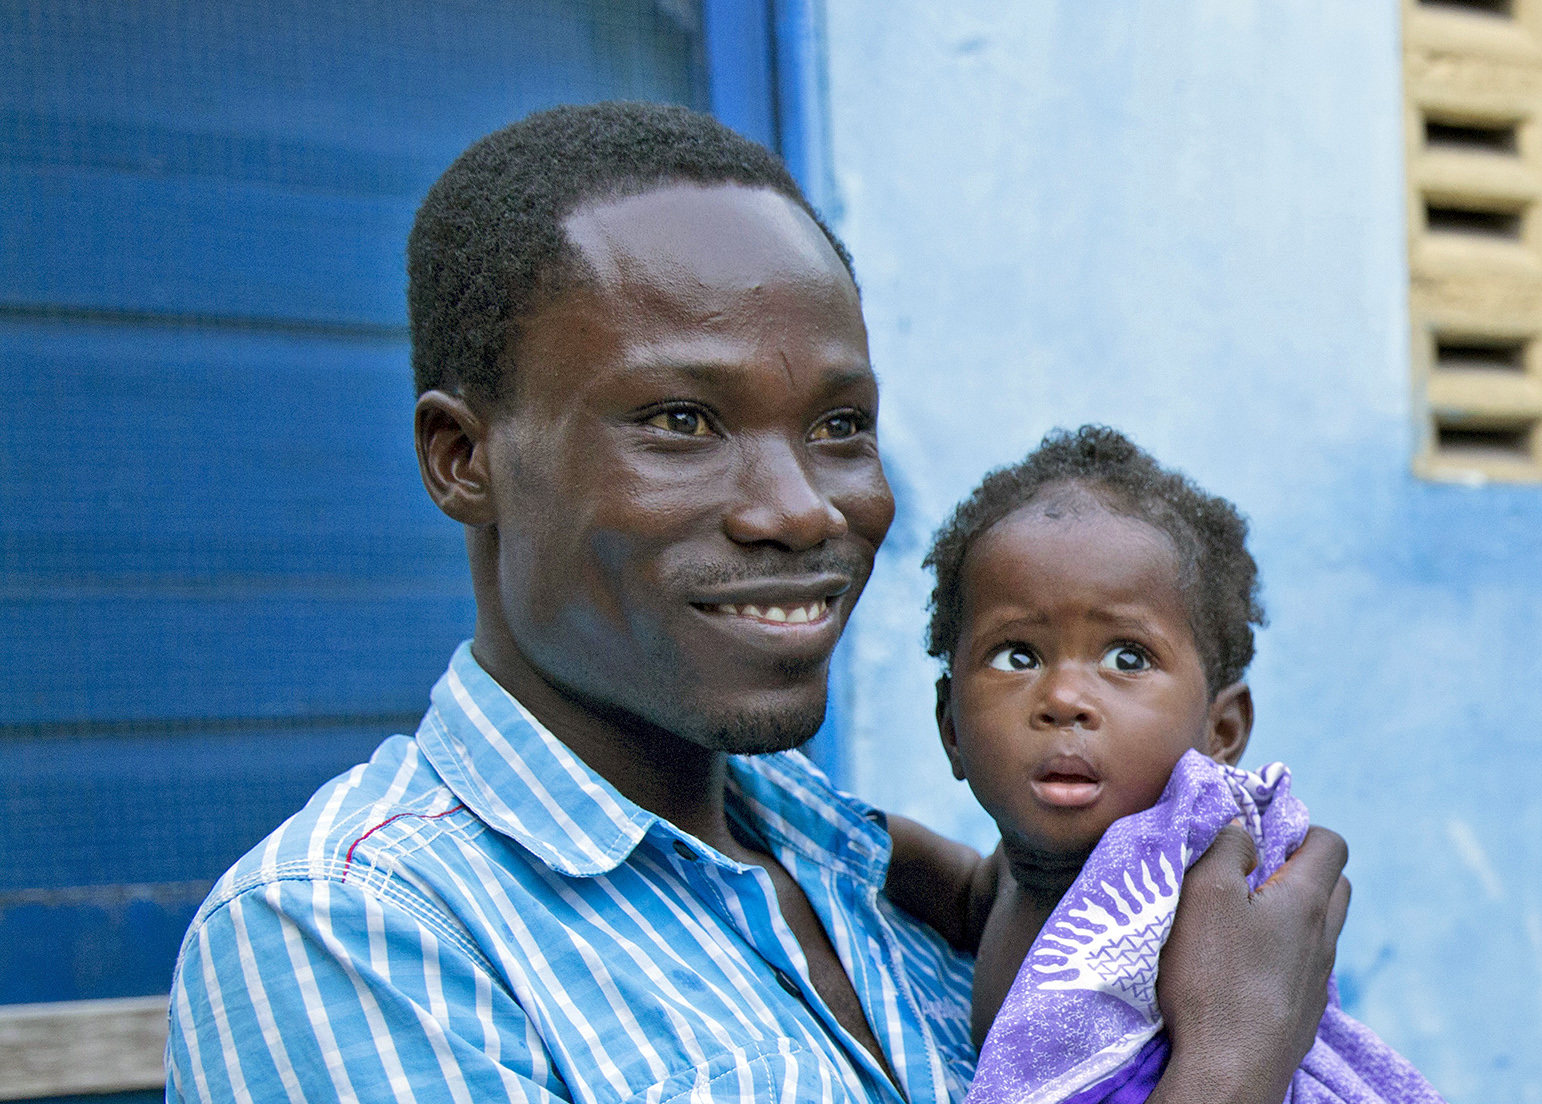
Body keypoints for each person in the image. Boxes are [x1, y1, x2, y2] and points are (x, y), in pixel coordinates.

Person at [165, 101, 1349, 1104]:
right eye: (681, 421)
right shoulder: (355, 937)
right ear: (462, 458)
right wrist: (1233, 1064)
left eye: (839, 426)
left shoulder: (835, 851)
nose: (800, 510)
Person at [891, 426, 1436, 1103]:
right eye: (1017, 656)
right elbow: (959, 886)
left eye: (1127, 658)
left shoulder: (1186, 899)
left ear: (1221, 731)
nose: (1064, 698)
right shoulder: (1015, 879)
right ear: (951, 730)